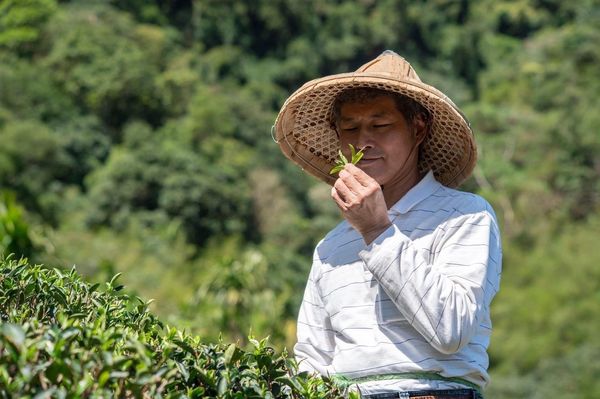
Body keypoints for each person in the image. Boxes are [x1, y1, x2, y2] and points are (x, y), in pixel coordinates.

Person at [273, 50, 502, 399]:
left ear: (418, 127)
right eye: (351, 128)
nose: (364, 142)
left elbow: (451, 330)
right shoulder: (331, 247)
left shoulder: (466, 216)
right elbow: (312, 358)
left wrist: (378, 232)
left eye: (381, 126)